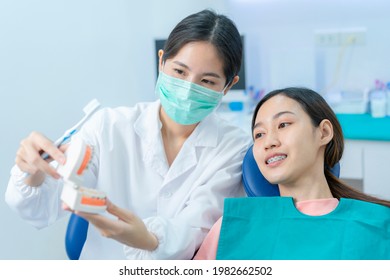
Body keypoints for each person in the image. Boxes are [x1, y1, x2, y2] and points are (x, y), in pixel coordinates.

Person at [5, 9, 252, 260]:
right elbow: (39, 208)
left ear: (229, 85)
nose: (188, 89)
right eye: (179, 72)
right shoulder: (108, 127)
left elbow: (197, 230)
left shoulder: (234, 148)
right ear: (161, 61)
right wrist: (33, 175)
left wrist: (148, 239)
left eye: (207, 82)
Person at [194, 87, 390, 260]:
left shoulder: (377, 226)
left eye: (283, 125)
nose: (268, 142)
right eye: (259, 134)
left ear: (323, 133)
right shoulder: (232, 227)